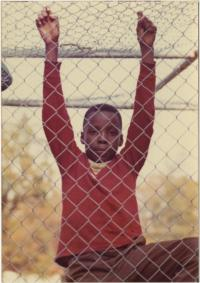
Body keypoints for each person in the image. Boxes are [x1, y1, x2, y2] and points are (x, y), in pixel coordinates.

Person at [36, 7, 198, 282]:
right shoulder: (71, 164)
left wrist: (147, 53)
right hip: (87, 265)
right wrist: (51, 47)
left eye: (112, 132)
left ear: (122, 140)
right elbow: (53, 116)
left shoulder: (128, 163)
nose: (102, 137)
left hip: (130, 259)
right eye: (94, 131)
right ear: (81, 137)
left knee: (195, 249)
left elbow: (144, 116)